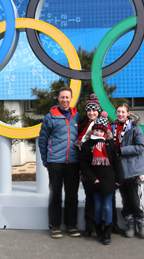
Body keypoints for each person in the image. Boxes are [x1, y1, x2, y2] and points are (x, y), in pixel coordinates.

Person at [75, 94, 125, 237]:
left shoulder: (104, 125)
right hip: (89, 169)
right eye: (89, 110)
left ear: (98, 111)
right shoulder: (83, 124)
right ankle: (90, 226)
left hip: (107, 172)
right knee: (90, 198)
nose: (91, 113)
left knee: (110, 201)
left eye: (94, 110)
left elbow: (112, 147)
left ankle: (112, 225)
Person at [38, 86, 83, 239]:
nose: (65, 100)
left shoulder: (77, 116)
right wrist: (46, 161)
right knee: (55, 194)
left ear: (71, 98)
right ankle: (55, 225)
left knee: (72, 194)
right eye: (62, 97)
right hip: (55, 162)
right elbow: (43, 140)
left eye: (67, 97)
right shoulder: (50, 116)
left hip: (73, 162)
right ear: (58, 98)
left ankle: (71, 224)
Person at [110, 103, 144, 239]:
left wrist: (121, 150)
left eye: (123, 112)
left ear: (128, 113)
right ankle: (130, 224)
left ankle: (141, 223)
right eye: (118, 112)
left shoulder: (135, 128)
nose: (120, 114)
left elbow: (140, 146)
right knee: (125, 198)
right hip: (119, 170)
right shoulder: (112, 128)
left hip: (134, 169)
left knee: (136, 198)